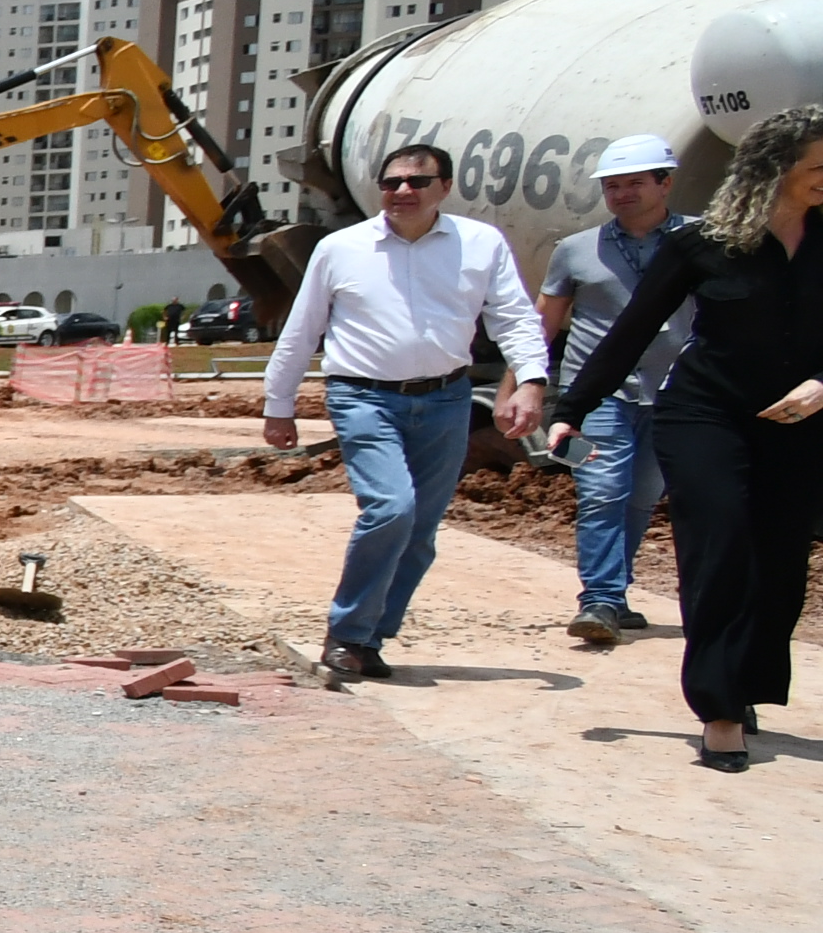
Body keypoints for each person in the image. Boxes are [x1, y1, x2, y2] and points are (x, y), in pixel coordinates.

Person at [548, 104, 823, 772]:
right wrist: (572, 407)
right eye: (817, 165)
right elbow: (633, 330)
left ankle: (745, 677)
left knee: (781, 567)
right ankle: (721, 707)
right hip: (705, 415)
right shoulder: (706, 244)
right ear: (777, 167)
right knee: (719, 545)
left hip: (801, 421)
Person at [259, 140, 551, 689]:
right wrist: (280, 405)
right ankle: (346, 634)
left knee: (419, 529)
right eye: (391, 183)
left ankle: (370, 638)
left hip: (446, 401)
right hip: (363, 397)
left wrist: (530, 382)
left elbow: (514, 318)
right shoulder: (340, 248)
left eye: (417, 182)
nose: (402, 192)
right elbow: (301, 330)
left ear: (445, 187)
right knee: (391, 508)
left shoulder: (481, 244)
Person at [540, 138, 694, 648]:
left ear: (664, 183)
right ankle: (600, 599)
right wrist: (521, 386)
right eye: (612, 186)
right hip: (596, 397)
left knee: (642, 496)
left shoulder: (702, 241)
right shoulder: (576, 250)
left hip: (676, 393)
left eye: (634, 183)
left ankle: (616, 595)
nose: (622, 193)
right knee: (602, 490)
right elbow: (545, 323)